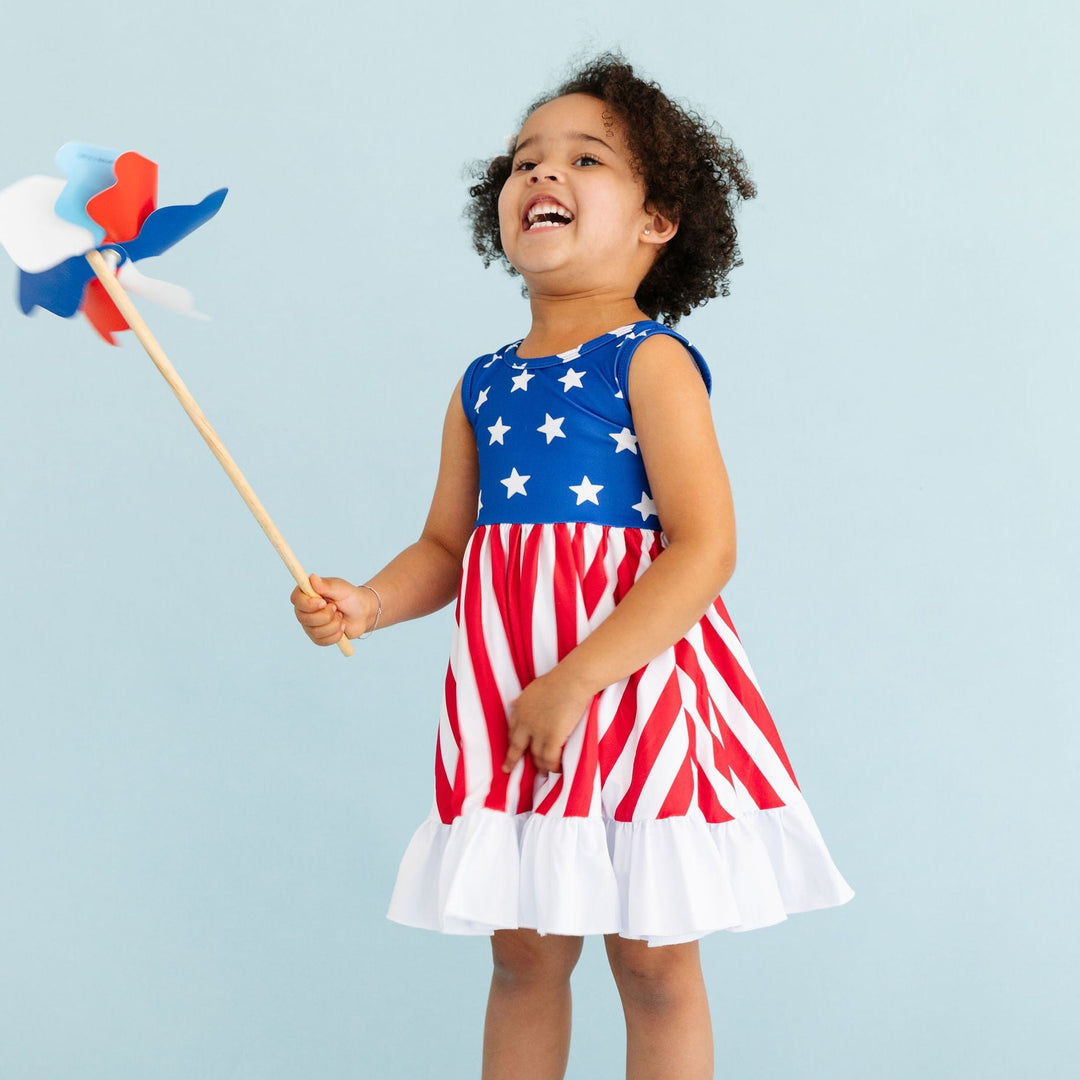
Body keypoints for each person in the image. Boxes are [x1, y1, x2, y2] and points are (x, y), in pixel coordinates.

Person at [291, 54, 853, 1080]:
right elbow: (447, 550)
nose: (542, 176)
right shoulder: (482, 382)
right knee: (524, 957)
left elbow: (707, 548)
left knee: (652, 962)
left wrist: (579, 679)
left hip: (628, 696)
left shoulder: (649, 360)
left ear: (659, 220)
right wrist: (366, 603)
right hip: (513, 700)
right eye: (522, 162)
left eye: (585, 159)